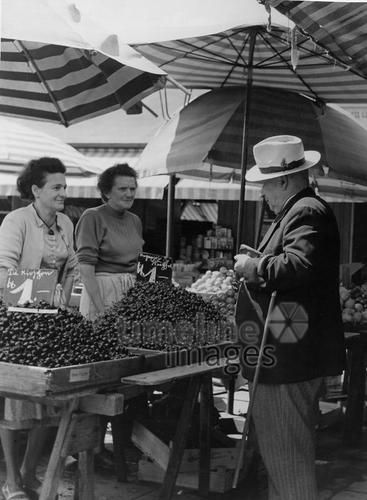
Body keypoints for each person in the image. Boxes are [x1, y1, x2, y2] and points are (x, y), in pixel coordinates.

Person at [234, 135, 345, 500]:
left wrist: (254, 265)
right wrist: (263, 259)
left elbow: (298, 265)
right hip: (287, 356)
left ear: (283, 179)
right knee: (282, 455)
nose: (263, 193)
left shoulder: (306, 209)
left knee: (287, 457)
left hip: (287, 361)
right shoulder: (299, 209)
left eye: (265, 184)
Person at [0, 157, 77, 500]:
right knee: (17, 402)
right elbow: (3, 271)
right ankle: (12, 482)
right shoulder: (16, 221)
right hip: (16, 317)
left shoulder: (65, 223)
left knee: (49, 401)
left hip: (52, 320)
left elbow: (73, 265)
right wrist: (41, 292)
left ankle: (30, 474)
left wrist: (74, 294)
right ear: (36, 190)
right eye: (56, 187)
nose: (63, 192)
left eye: (64, 186)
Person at [75, 163, 144, 470]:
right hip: (100, 292)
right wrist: (102, 310)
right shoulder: (92, 217)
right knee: (98, 374)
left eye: (133, 188)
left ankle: (117, 446)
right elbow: (86, 267)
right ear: (105, 191)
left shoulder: (135, 220)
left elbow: (138, 264)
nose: (129, 194)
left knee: (121, 375)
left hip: (128, 293)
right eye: (123, 189)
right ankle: (87, 450)